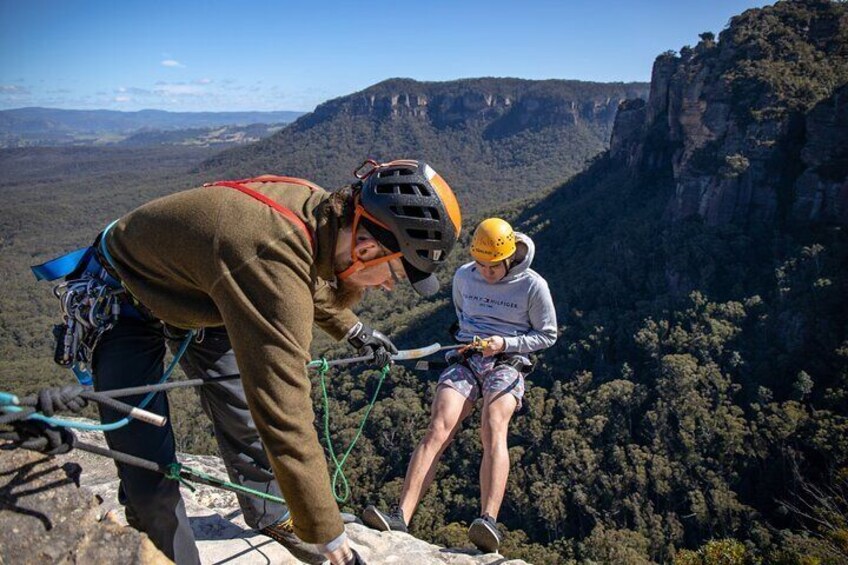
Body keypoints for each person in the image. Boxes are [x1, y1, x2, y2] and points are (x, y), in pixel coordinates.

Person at [26, 160, 462, 565]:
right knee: (150, 470)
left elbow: (297, 276)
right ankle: (162, 548)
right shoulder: (266, 247)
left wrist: (352, 328)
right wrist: (330, 538)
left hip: (204, 289)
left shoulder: (321, 211)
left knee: (243, 419)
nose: (389, 286)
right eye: (397, 273)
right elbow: (284, 407)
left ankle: (273, 513)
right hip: (127, 295)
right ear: (366, 245)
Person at [361, 218, 556, 554]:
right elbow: (464, 317)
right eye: (481, 264)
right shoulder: (465, 276)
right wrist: (475, 344)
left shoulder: (533, 286)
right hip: (468, 355)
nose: (486, 272)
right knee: (438, 427)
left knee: (493, 425)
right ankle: (400, 515)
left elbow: (547, 335)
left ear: (509, 258)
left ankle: (487, 521)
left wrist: (504, 344)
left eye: (493, 266)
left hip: (507, 361)